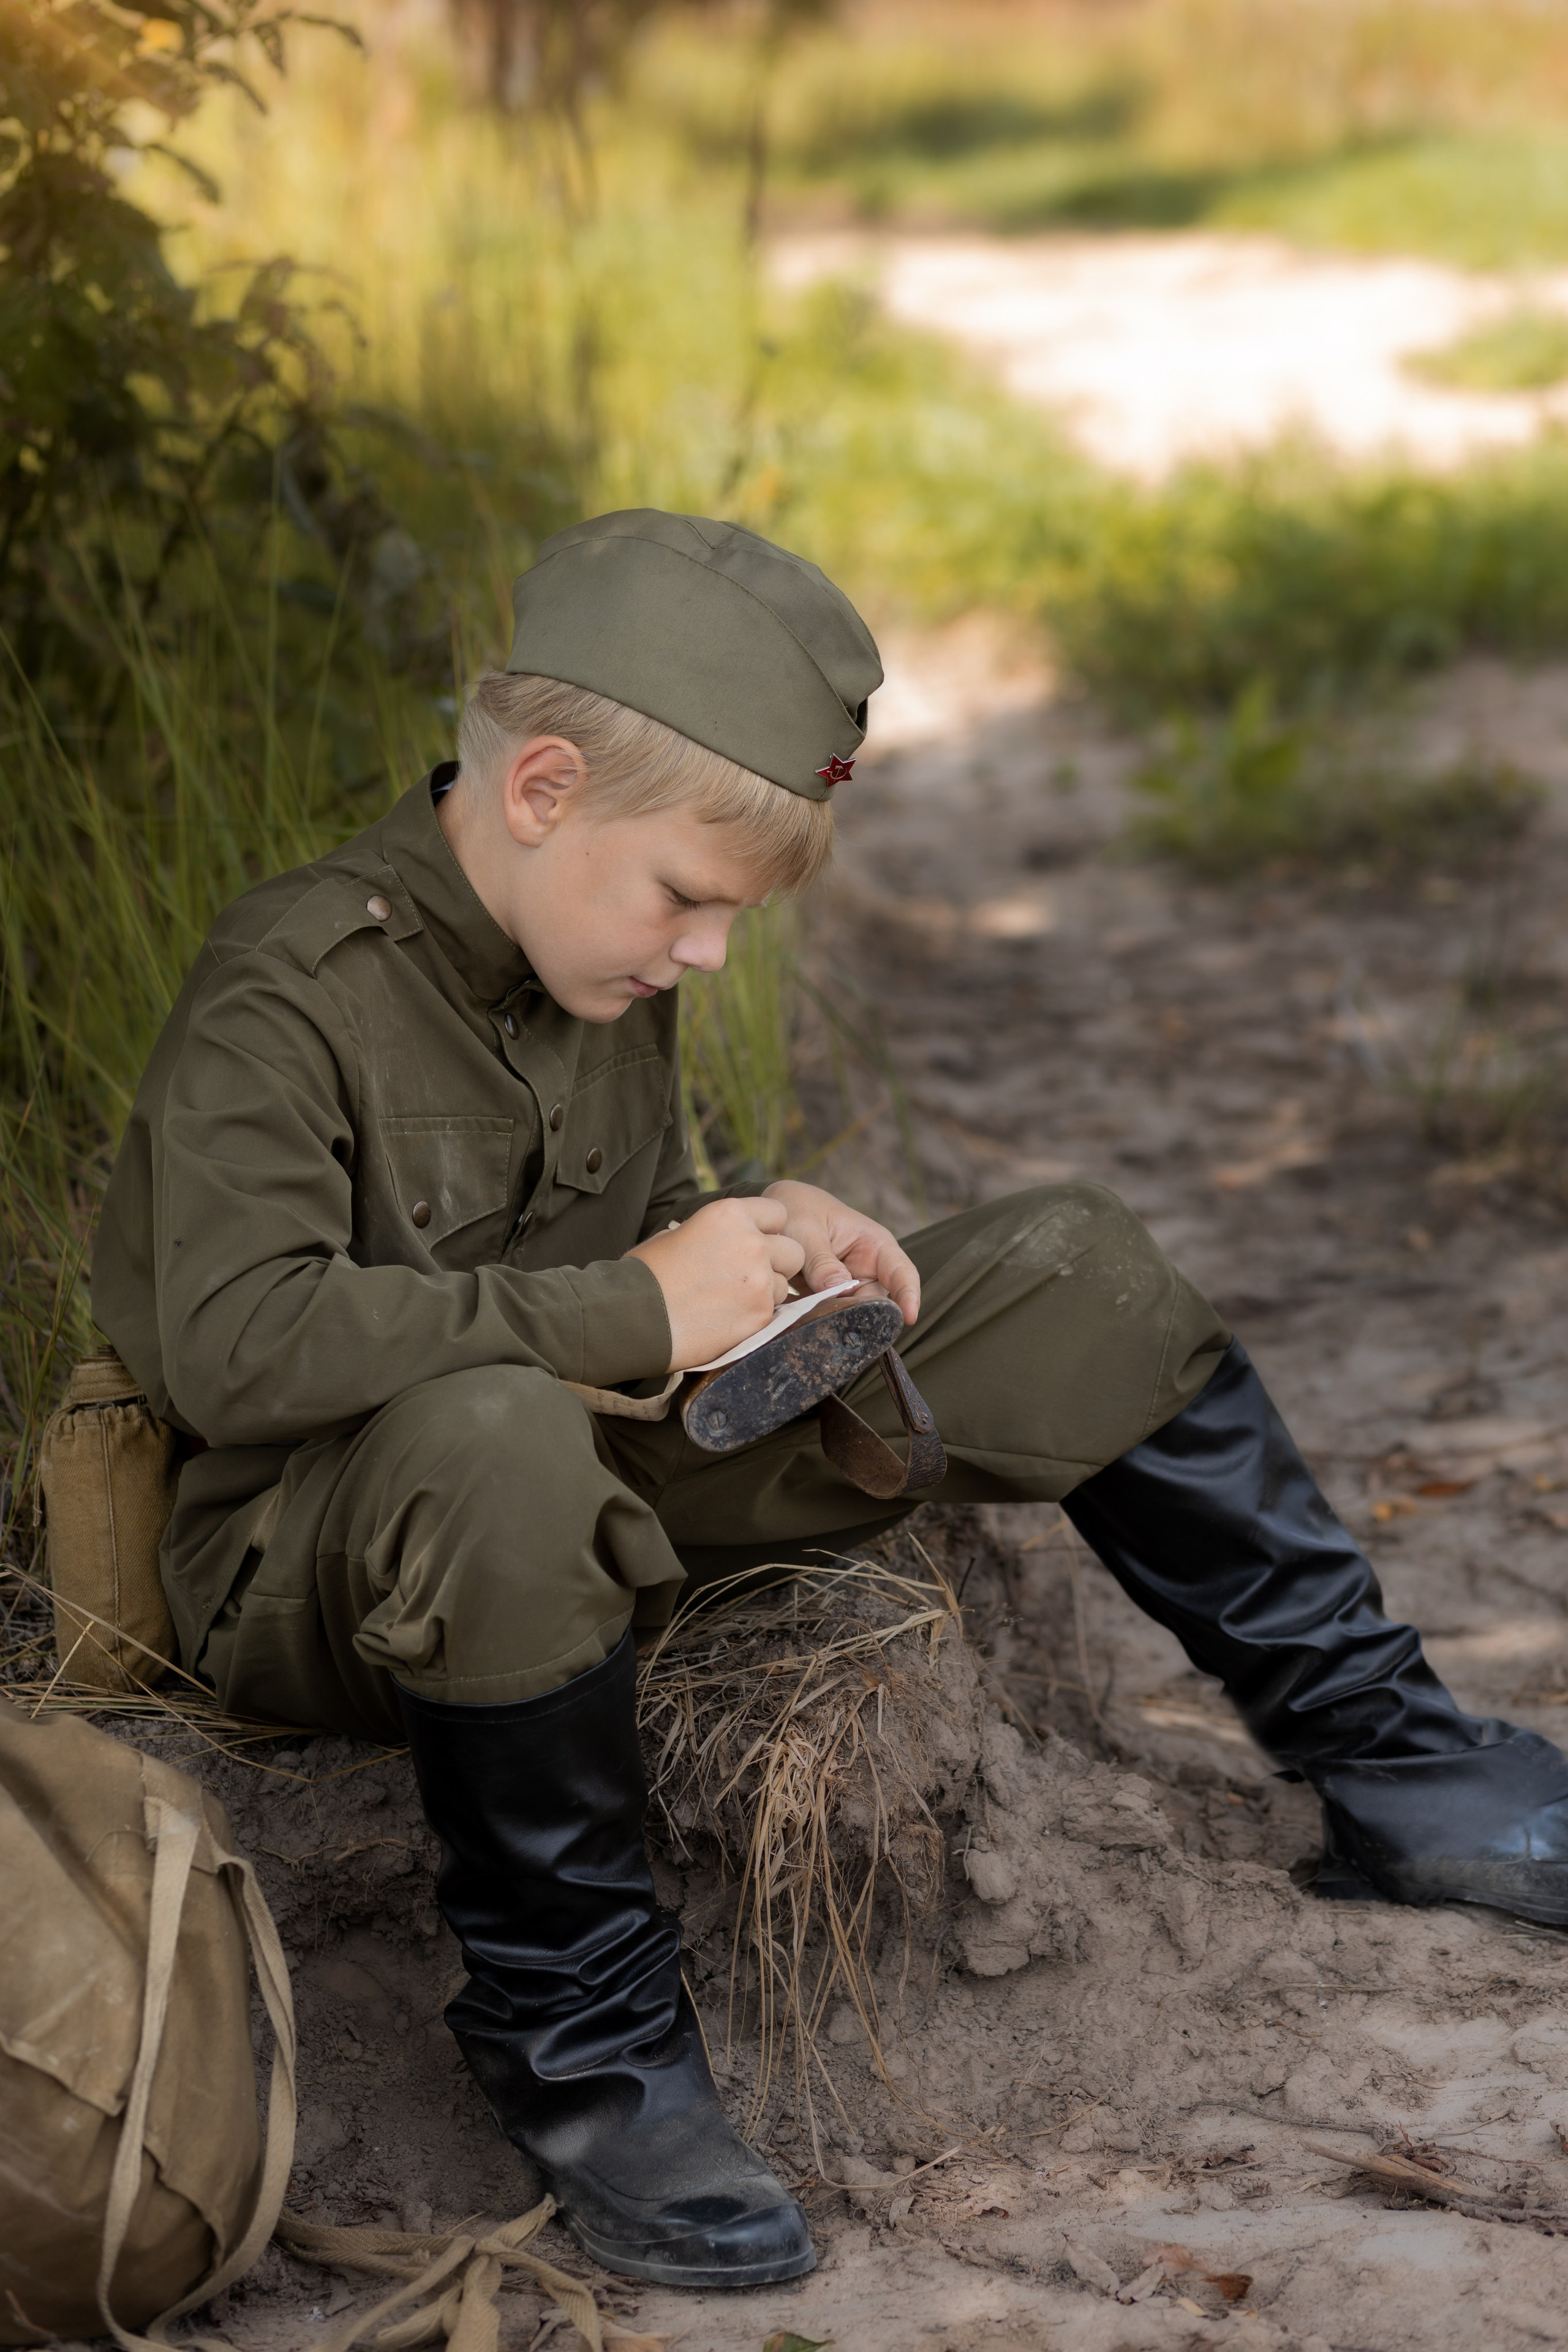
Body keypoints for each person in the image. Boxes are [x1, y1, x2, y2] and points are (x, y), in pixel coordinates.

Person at [94, 508, 1568, 2291]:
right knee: (487, 1436)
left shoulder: (593, 942)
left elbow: (606, 1210)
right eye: (693, 902)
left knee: (1074, 1263)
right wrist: (638, 1300)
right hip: (333, 1562)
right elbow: (233, 1346)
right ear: (542, 786)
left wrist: (763, 1228)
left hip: (594, 1470)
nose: (705, 956)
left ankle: (1390, 1759)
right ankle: (591, 2056)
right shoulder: (290, 989)